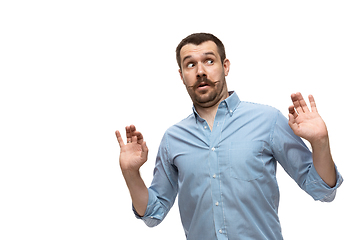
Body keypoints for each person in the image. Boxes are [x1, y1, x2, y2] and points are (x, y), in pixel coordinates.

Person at [115, 33, 343, 240]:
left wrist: (320, 142)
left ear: (225, 66)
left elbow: (322, 190)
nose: (200, 71)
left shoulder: (268, 120)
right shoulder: (173, 139)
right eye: (190, 64)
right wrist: (131, 173)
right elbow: (153, 213)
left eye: (209, 61)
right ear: (181, 75)